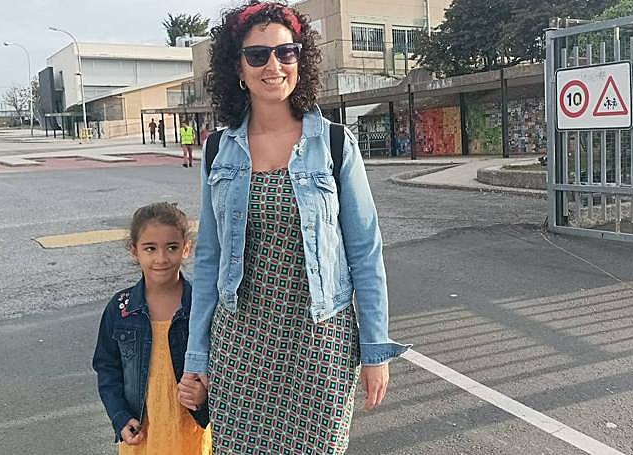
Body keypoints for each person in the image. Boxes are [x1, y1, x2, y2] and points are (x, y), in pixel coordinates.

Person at [180, 2, 410, 453]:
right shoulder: (218, 151)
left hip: (320, 342)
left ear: (300, 61)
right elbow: (208, 260)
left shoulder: (335, 143)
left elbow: (365, 252)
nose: (274, 66)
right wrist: (197, 356)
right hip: (240, 343)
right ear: (238, 68)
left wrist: (374, 349)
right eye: (257, 55)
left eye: (286, 52)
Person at [93, 202, 211, 455]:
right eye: (150, 248)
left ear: (186, 248)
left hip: (190, 434)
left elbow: (224, 364)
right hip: (142, 437)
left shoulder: (201, 307)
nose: (161, 258)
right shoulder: (120, 309)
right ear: (134, 251)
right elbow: (107, 368)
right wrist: (120, 417)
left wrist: (204, 395)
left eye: (172, 247)